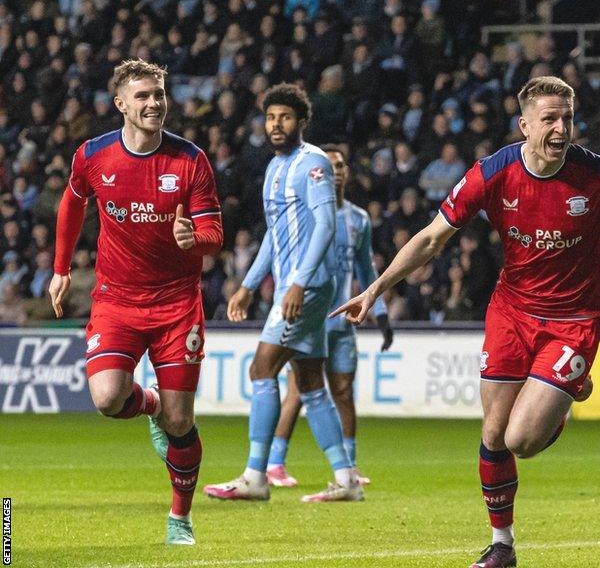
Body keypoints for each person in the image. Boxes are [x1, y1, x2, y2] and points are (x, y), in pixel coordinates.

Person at [334, 76, 600, 568]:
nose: (559, 129)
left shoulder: (596, 173)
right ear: (524, 124)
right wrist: (375, 289)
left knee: (521, 441)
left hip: (574, 319)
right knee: (493, 435)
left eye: (567, 119)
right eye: (549, 119)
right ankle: (502, 545)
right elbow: (431, 239)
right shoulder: (493, 173)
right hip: (511, 312)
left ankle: (561, 396)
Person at [49, 59, 223, 545]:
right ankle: (146, 404)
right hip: (117, 300)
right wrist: (61, 269)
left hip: (176, 305)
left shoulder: (190, 160)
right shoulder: (94, 155)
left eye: (159, 94)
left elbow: (214, 233)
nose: (154, 103)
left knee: (181, 420)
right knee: (107, 399)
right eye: (143, 96)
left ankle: (180, 517)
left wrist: (196, 239)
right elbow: (72, 202)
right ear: (121, 104)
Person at [203, 83, 362, 503]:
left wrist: (298, 282)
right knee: (310, 383)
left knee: (262, 370)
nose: (276, 124)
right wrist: (247, 286)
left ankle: (256, 476)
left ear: (301, 122)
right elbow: (274, 236)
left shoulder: (314, 164)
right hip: (293, 285)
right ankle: (346, 479)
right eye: (271, 117)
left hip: (305, 287)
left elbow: (326, 226)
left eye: (285, 118)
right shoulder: (274, 168)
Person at [265, 143, 394, 491]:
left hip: (343, 321)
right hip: (311, 316)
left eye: (341, 165)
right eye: (330, 165)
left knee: (343, 391)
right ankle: (275, 462)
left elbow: (366, 270)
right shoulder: (308, 214)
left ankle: (348, 466)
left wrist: (380, 314)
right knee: (298, 389)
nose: (336, 171)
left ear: (347, 171)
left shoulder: (359, 219)